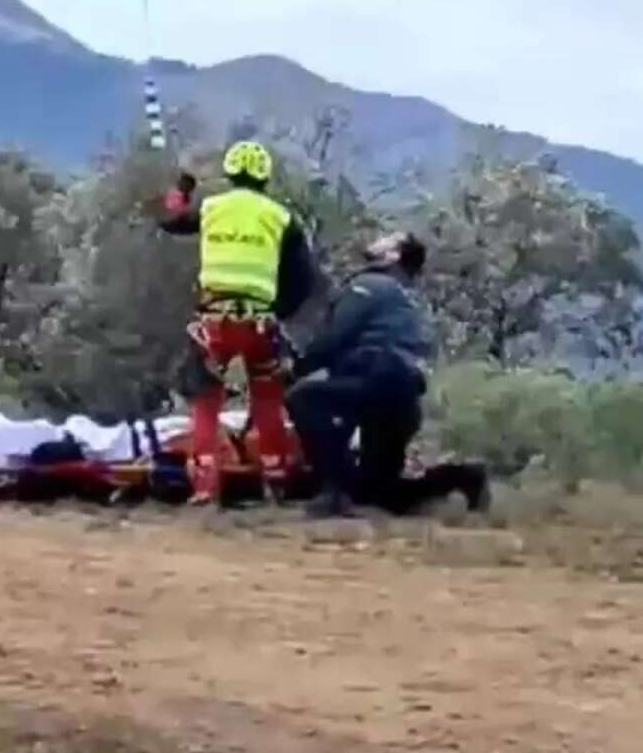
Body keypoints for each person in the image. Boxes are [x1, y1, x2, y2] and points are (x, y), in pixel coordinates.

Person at [158, 140, 319, 503]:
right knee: (267, 400)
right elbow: (305, 277)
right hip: (261, 323)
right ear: (265, 177)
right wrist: (280, 310)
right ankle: (276, 482)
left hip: (214, 323)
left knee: (206, 403)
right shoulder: (281, 217)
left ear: (230, 173)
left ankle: (204, 487)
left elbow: (169, 220)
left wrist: (181, 187)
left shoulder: (212, 208)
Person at [287, 231, 452, 518]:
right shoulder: (404, 296)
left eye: (388, 239)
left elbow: (335, 337)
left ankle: (332, 491)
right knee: (379, 494)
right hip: (404, 393)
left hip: (376, 377)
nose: (378, 239)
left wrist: (298, 368)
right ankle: (463, 481)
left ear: (394, 256)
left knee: (304, 399)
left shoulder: (369, 285)